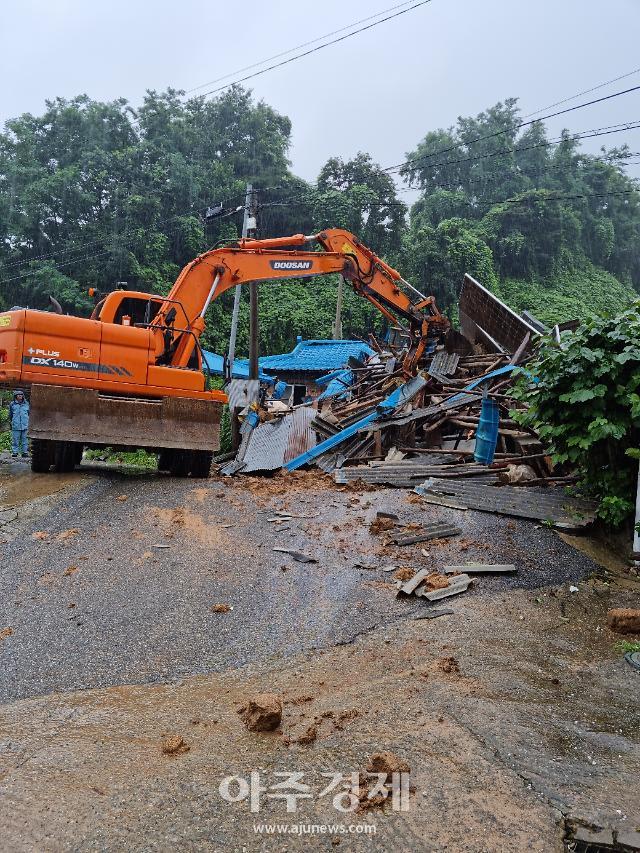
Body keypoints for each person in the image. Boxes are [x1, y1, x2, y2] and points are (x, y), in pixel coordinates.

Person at [9, 389, 29, 458]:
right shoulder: (12, 404)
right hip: (16, 425)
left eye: (21, 395)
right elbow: (10, 415)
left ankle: (25, 452)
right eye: (18, 395)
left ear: (23, 396)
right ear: (16, 396)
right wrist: (12, 422)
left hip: (25, 425)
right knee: (15, 440)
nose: (20, 396)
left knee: (25, 440)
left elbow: (29, 413)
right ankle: (15, 452)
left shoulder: (26, 404)